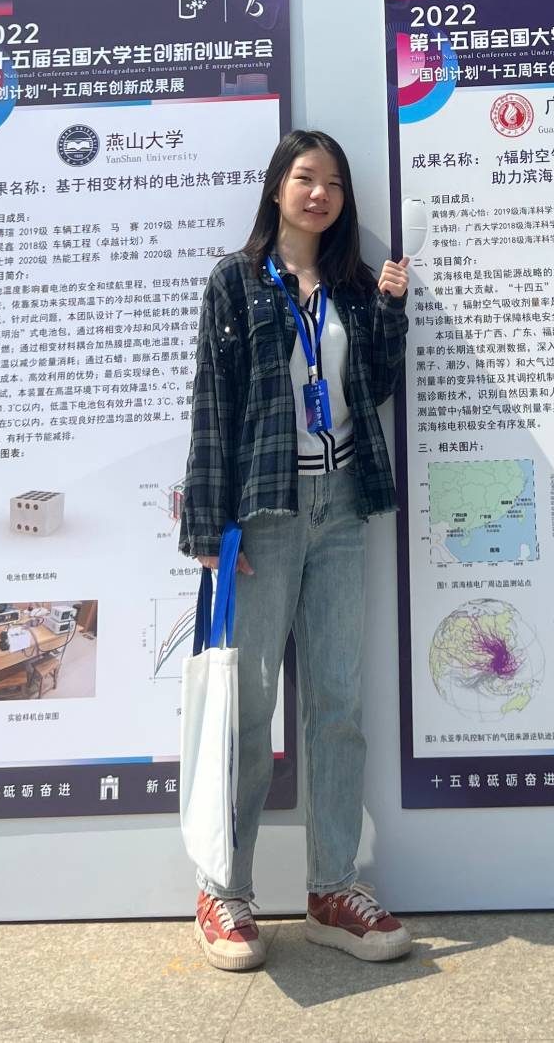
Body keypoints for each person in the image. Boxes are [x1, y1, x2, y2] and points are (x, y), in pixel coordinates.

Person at [179, 128, 412, 972]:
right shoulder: (236, 282)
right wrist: (208, 531)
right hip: (264, 517)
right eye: (306, 178)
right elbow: (213, 403)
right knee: (246, 709)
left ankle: (331, 889)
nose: (320, 194)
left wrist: (390, 309)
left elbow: (373, 386)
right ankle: (223, 889)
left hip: (341, 510)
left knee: (338, 704)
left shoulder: (350, 285)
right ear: (277, 187)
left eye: (334, 183)